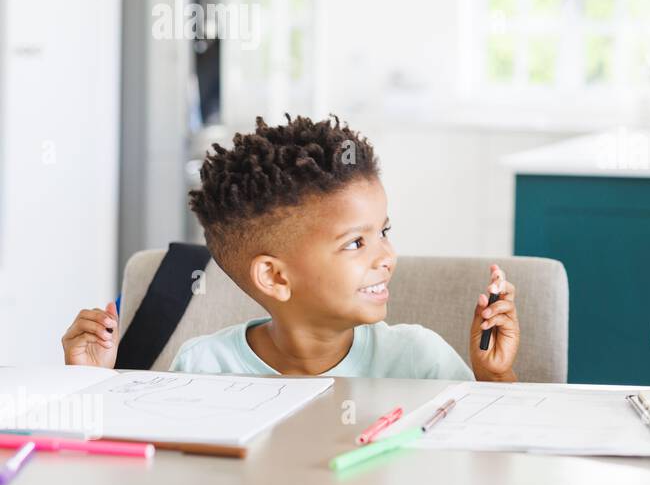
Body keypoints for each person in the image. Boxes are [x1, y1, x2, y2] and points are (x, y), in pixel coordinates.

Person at [63, 115, 519, 381]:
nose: (387, 256)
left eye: (384, 231)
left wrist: (494, 378)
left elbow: (489, 468)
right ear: (275, 277)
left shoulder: (419, 361)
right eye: (356, 242)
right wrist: (91, 387)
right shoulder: (206, 367)